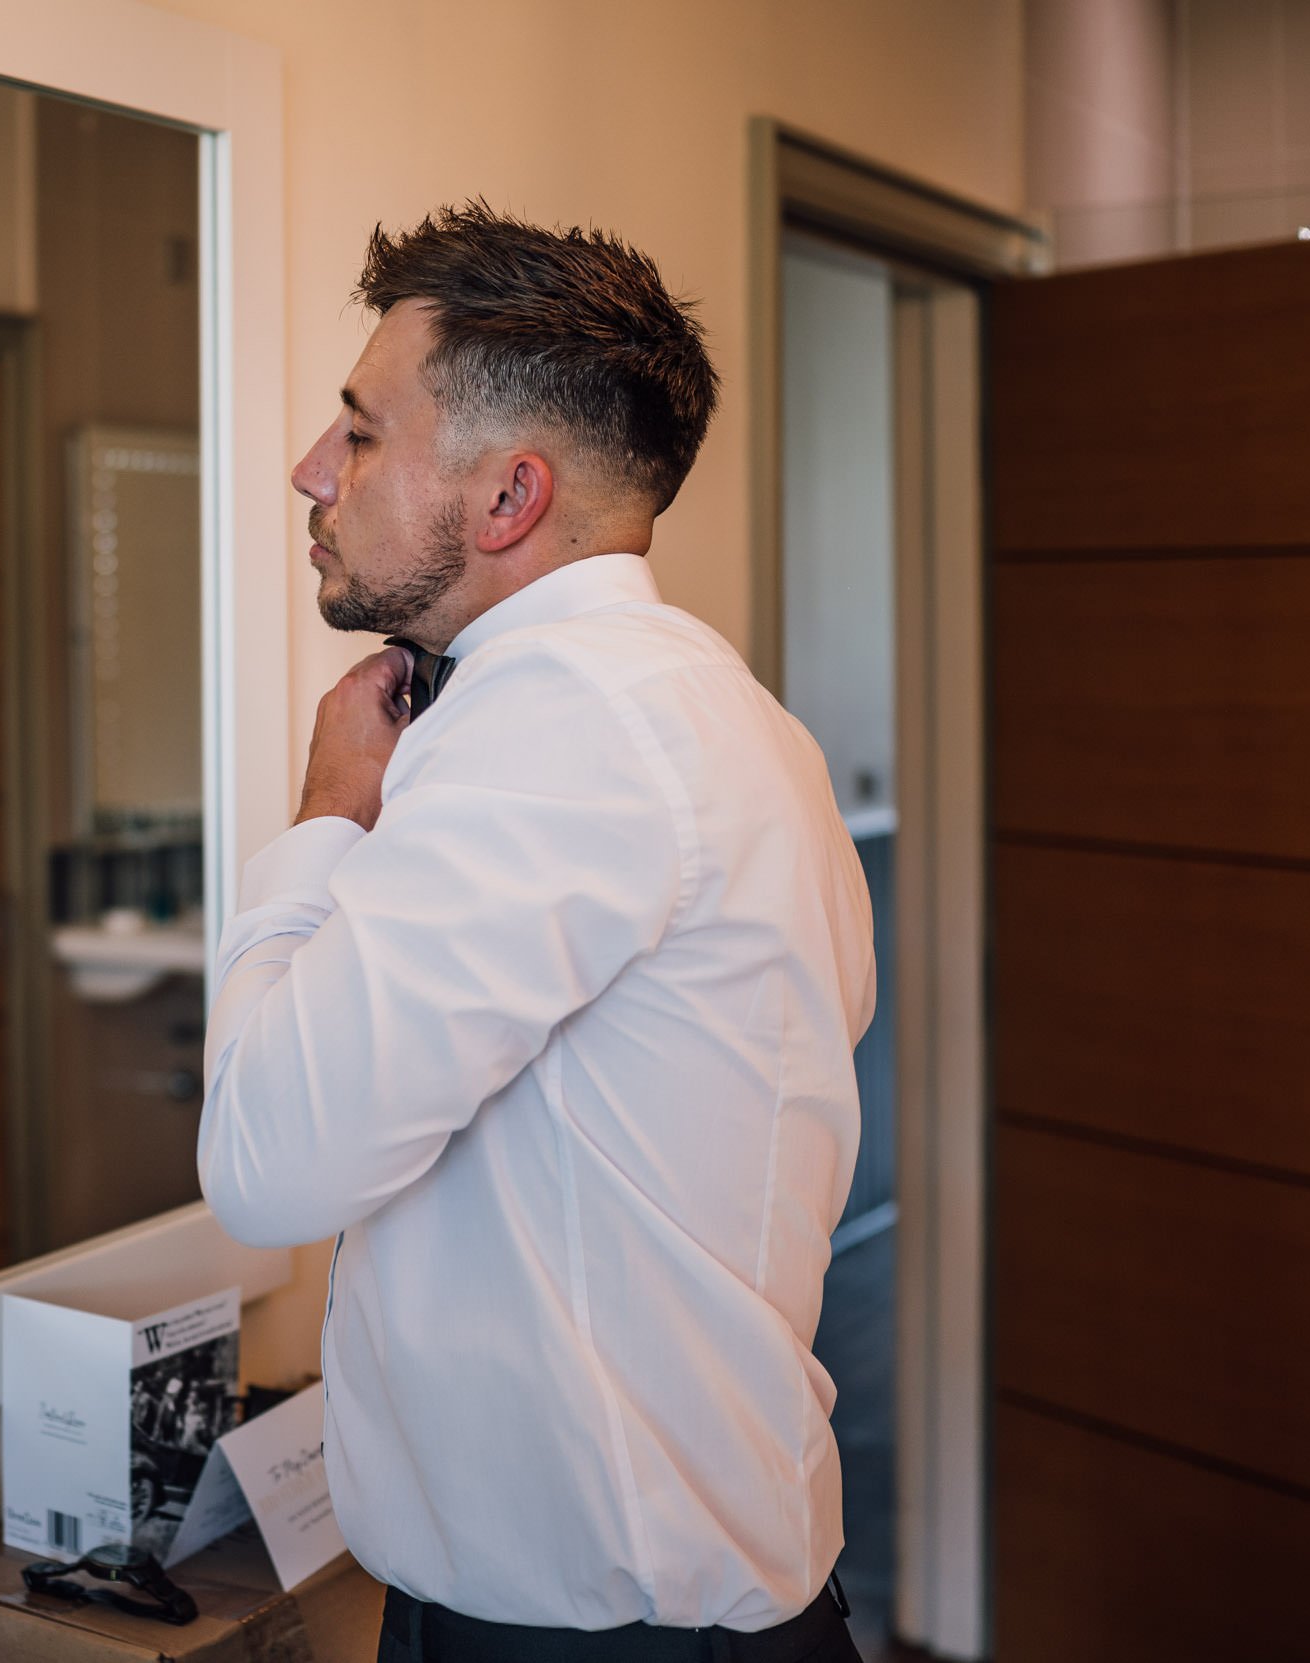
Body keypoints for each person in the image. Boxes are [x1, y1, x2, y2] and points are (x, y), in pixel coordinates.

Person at [197, 203, 874, 1662]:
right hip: (648, 1604)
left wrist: (324, 819)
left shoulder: (559, 728)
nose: (310, 469)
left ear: (508, 498)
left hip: (605, 1635)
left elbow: (263, 1158)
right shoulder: (720, 714)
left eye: (361, 431)